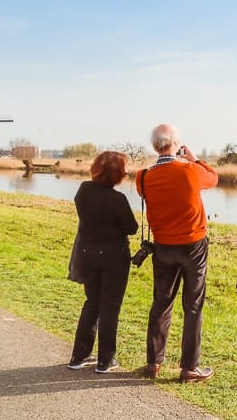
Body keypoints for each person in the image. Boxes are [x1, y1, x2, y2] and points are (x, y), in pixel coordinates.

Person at [136, 123, 218, 383]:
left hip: (162, 246)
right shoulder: (191, 171)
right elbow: (213, 178)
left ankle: (154, 363)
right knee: (193, 306)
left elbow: (146, 192)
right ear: (176, 144)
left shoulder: (144, 176)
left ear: (155, 146)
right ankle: (189, 368)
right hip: (193, 245)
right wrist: (193, 158)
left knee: (161, 302)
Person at [68, 151, 138, 373]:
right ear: (117, 174)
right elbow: (132, 228)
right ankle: (105, 361)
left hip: (88, 253)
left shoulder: (83, 190)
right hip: (114, 257)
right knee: (110, 307)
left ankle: (79, 357)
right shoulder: (117, 199)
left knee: (92, 303)